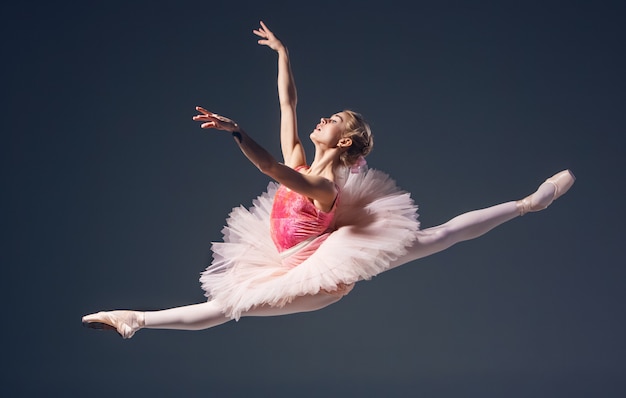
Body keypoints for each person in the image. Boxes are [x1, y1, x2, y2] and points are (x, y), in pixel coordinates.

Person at [82, 21, 575, 339]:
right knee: (223, 306)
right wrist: (282, 54)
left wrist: (236, 132)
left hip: (319, 274)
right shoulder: (301, 160)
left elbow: (270, 170)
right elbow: (288, 103)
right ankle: (136, 320)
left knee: (438, 236)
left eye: (334, 118)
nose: (324, 118)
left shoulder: (322, 189)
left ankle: (529, 203)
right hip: (284, 259)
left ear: (343, 142)